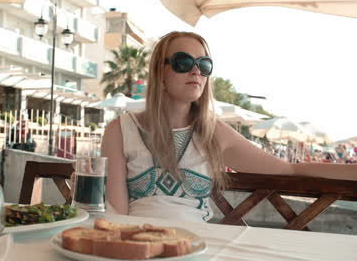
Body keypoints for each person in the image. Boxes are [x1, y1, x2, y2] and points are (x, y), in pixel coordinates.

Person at [89, 31, 357, 222]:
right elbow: (119, 213)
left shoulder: (214, 132)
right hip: (135, 241)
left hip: (196, 246)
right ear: (160, 71)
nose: (196, 71)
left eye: (204, 65)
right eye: (183, 62)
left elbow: (290, 169)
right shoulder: (119, 130)